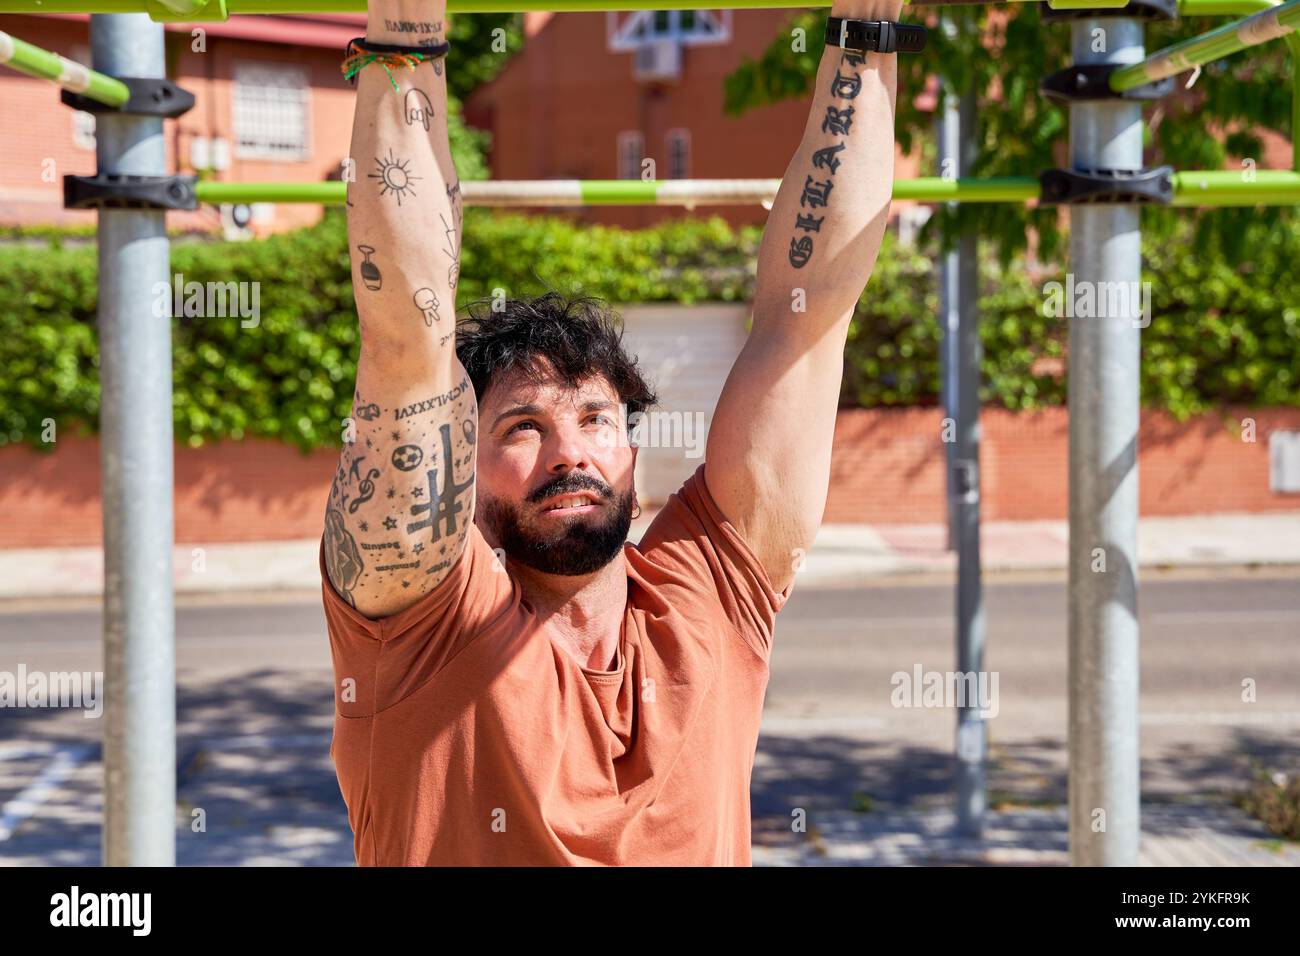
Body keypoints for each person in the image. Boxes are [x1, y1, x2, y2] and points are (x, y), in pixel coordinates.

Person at [322, 0, 904, 865]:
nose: (571, 452)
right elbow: (409, 336)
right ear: (457, 468)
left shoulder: (707, 596)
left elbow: (809, 315)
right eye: (522, 427)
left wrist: (866, 31)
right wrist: (408, 38)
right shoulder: (423, 627)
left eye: (596, 418)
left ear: (632, 446)